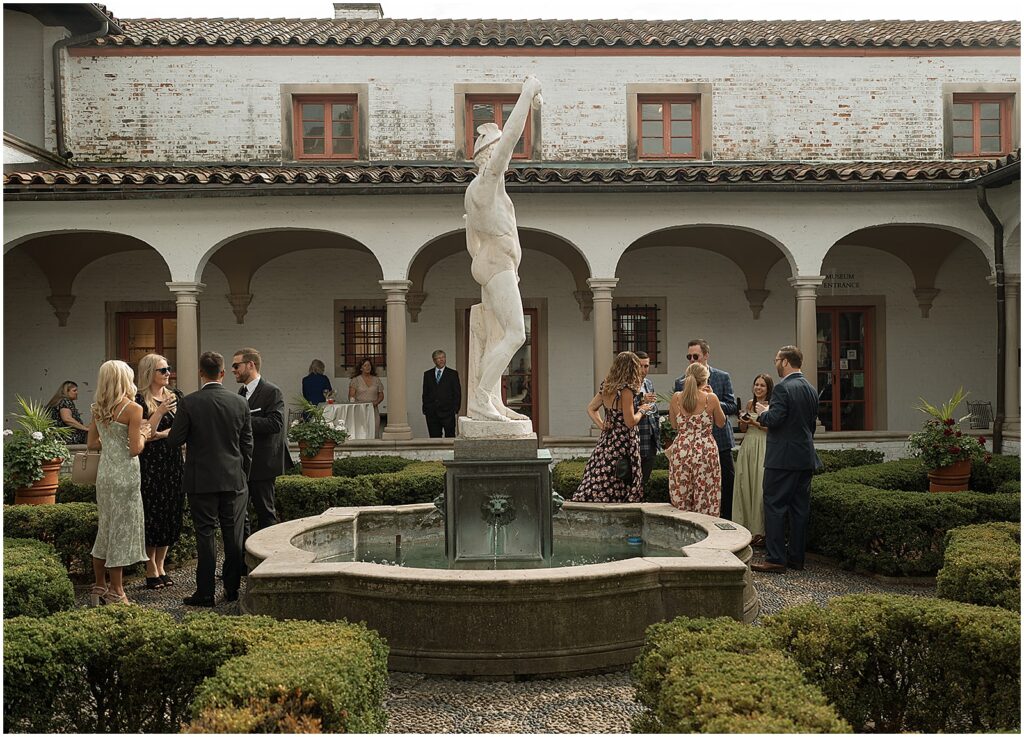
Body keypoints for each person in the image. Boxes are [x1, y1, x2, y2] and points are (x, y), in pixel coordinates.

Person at [464, 75, 542, 422]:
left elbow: (472, 242)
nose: (505, 156)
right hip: (497, 263)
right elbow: (512, 136)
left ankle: (491, 401)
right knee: (516, 333)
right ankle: (482, 398)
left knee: (499, 335)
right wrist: (527, 93)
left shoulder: (483, 192)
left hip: (492, 262)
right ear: (488, 155)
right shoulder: (486, 182)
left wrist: (489, 262)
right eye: (498, 150)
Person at [167, 351, 253, 606]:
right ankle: (232, 589)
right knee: (233, 536)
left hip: (200, 479)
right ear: (223, 373)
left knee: (205, 535)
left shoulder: (190, 403)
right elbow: (247, 444)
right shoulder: (239, 403)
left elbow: (175, 440)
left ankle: (205, 593)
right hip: (233, 479)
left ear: (200, 373)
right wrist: (243, 475)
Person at [750, 346, 821, 574]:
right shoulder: (810, 388)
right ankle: (796, 559)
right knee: (800, 509)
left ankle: (776, 559)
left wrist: (762, 412)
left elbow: (775, 419)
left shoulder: (782, 389)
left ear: (786, 362)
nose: (775, 363)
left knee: (775, 506)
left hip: (781, 459)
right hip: (804, 456)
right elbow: (810, 425)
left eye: (777, 360)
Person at [86, 360, 149, 606]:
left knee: (106, 528)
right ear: (126, 379)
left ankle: (99, 586)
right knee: (121, 532)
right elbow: (135, 449)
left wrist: (111, 441)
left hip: (105, 475)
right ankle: (117, 591)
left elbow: (91, 444)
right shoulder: (133, 409)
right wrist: (144, 434)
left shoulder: (97, 408)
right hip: (125, 475)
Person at [572, 351, 655, 503]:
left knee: (604, 472)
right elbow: (630, 422)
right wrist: (642, 410)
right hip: (624, 440)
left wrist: (602, 425)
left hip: (608, 438)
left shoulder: (607, 386)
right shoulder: (626, 390)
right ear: (631, 368)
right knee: (623, 475)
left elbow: (591, 408)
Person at [135, 353, 185, 590]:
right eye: (162, 370)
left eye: (168, 369)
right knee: (152, 512)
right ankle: (150, 567)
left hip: (173, 462)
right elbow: (145, 432)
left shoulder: (177, 396)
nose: (167, 374)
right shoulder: (139, 399)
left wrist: (164, 434)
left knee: (170, 511)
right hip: (150, 464)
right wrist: (161, 412)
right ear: (148, 373)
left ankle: (162, 564)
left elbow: (183, 430)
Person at [674, 339, 737, 518]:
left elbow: (732, 406)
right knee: (691, 487)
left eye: (696, 356)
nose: (692, 359)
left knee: (725, 484)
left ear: (706, 355)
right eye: (689, 356)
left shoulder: (722, 376)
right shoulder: (681, 382)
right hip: (691, 445)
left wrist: (712, 400)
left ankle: (726, 523)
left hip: (719, 439)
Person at [232, 348, 290, 532]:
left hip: (263, 464)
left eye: (236, 365)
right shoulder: (241, 392)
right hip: (242, 463)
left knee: (266, 513)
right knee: (241, 514)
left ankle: (270, 557)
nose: (233, 369)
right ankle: (243, 556)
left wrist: (244, 420)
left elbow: (275, 424)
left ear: (251, 365)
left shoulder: (272, 391)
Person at [667, 362, 727, 515]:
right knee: (706, 495)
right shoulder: (710, 398)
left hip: (682, 450)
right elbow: (721, 423)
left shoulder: (676, 398)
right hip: (705, 450)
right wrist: (713, 397)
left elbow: (673, 425)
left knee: (681, 496)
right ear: (705, 379)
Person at [732, 373, 774, 546]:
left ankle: (760, 531)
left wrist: (756, 423)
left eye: (762, 385)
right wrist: (743, 420)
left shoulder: (772, 405)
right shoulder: (751, 403)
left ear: (768, 388)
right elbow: (743, 428)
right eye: (756, 384)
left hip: (763, 445)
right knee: (745, 483)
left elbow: (771, 428)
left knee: (759, 486)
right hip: (748, 445)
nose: (758, 388)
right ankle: (745, 526)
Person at [634, 351, 661, 494]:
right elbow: (624, 411)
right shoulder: (628, 386)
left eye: (646, 366)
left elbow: (653, 408)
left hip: (650, 438)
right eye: (641, 366)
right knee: (634, 480)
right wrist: (641, 401)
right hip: (636, 437)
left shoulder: (648, 383)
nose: (644, 370)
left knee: (645, 480)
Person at [422, 349, 460, 438]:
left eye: (443, 357)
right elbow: (425, 393)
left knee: (450, 436)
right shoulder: (428, 374)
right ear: (434, 360)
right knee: (434, 437)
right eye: (438, 358)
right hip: (432, 413)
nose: (441, 360)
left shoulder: (452, 374)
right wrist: (426, 408)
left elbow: (457, 393)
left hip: (448, 412)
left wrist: (455, 409)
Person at [349, 357, 385, 438]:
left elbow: (381, 395)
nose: (368, 367)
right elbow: (351, 396)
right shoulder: (356, 380)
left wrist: (376, 402)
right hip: (360, 410)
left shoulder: (376, 380)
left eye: (369, 365)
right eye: (365, 365)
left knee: (374, 432)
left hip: (373, 409)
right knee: (362, 433)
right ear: (361, 368)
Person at [46, 380, 89, 445]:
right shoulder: (65, 401)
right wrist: (85, 428)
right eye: (74, 390)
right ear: (66, 391)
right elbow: (67, 419)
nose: (77, 393)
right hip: (67, 438)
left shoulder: (60, 401)